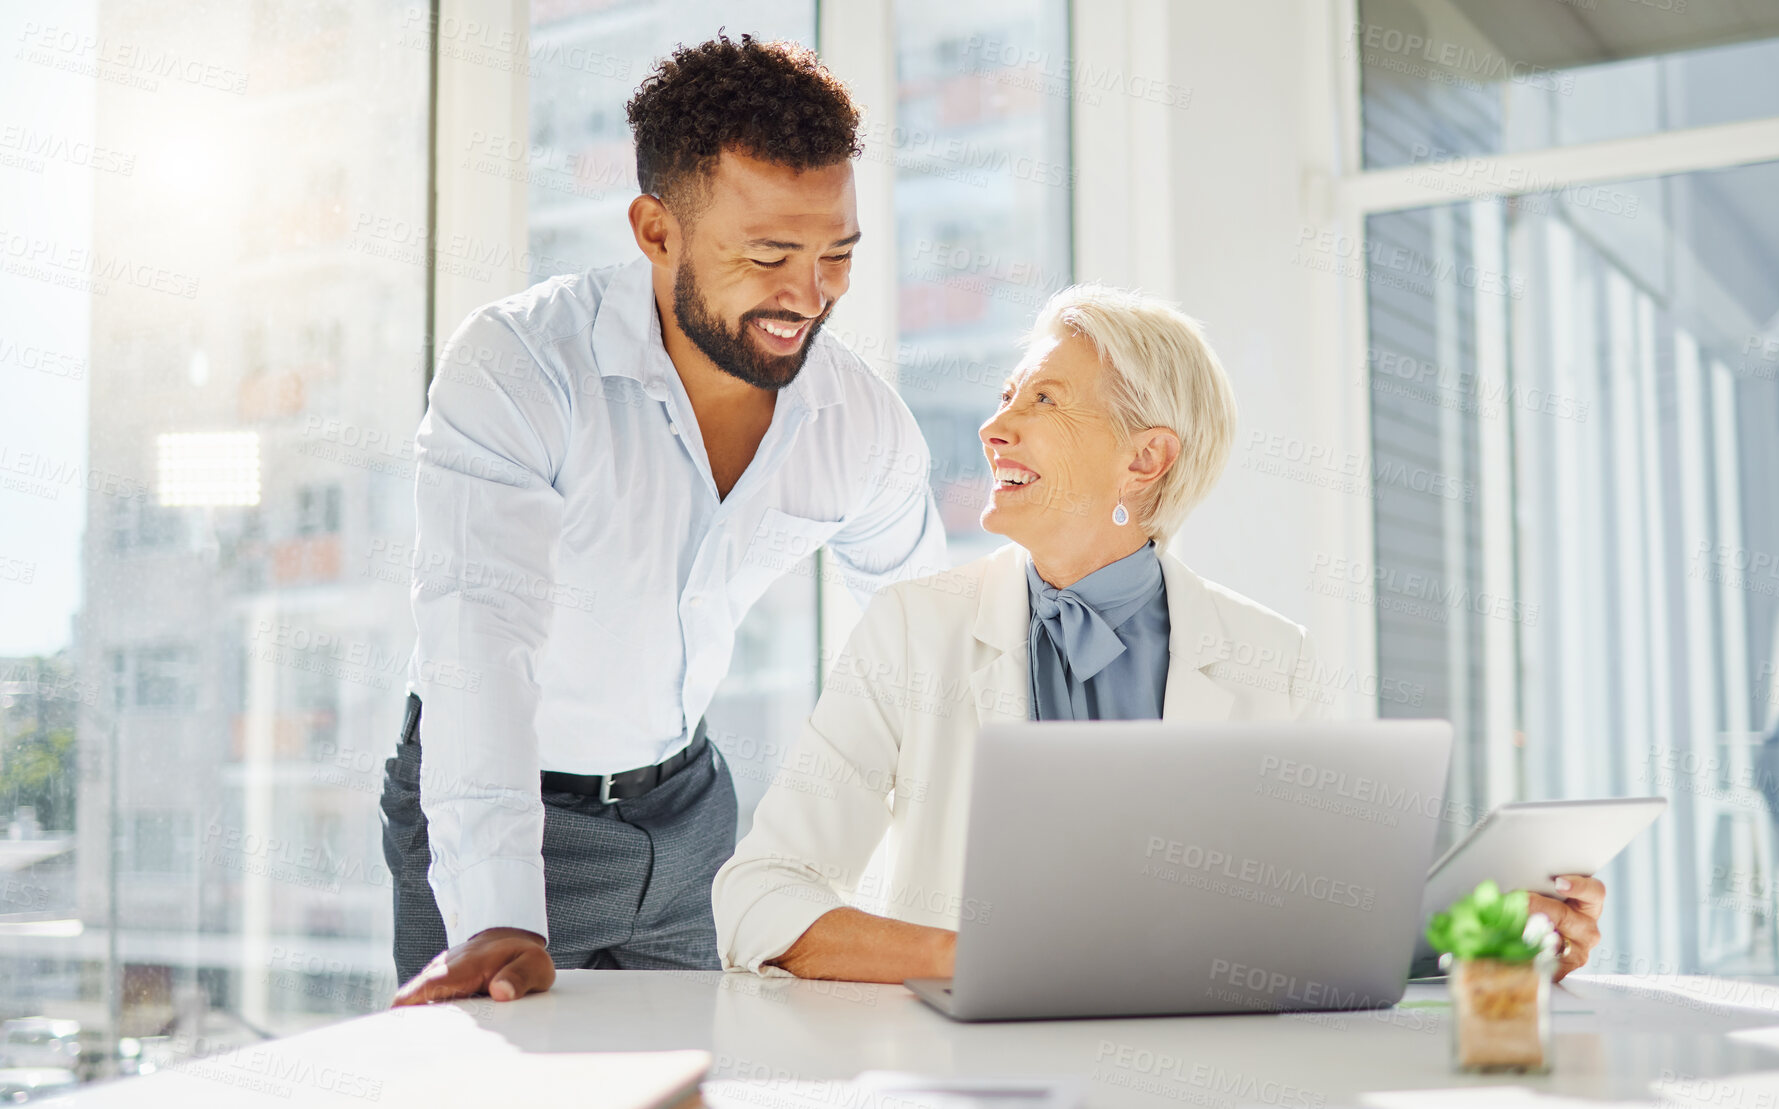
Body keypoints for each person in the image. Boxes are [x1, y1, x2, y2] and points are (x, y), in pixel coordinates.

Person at [712, 284, 1606, 985]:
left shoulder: (1272, 661)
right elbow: (760, 896)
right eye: (1007, 396)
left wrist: (1491, 930)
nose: (993, 428)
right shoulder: (913, 631)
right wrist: (975, 956)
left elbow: (1325, 929)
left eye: (1045, 400)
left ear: (1145, 458)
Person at [383, 34, 947, 1006]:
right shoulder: (521, 367)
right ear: (654, 230)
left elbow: (928, 650)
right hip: (511, 811)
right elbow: (478, 644)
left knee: (698, 1079)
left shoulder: (858, 422)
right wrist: (498, 911)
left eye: (837, 256)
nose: (807, 298)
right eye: (767, 254)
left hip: (691, 812)